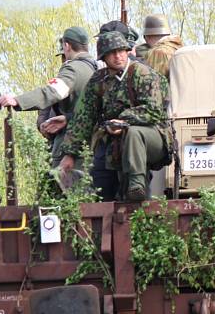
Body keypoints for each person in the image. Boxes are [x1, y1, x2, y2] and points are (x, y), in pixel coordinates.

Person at [58, 31, 172, 202]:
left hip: (152, 137)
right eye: (112, 53)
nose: (117, 56)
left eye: (121, 51)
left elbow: (153, 110)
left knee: (133, 134)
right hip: (113, 141)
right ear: (104, 57)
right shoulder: (99, 80)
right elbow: (83, 117)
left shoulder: (143, 74)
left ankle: (136, 185)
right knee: (101, 181)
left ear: (127, 51)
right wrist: (69, 154)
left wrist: (123, 121)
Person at [0, 27, 97, 167]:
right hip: (92, 145)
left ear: (66, 46)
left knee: (59, 187)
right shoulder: (95, 68)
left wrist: (18, 100)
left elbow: (52, 92)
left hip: (71, 145)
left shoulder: (73, 69)